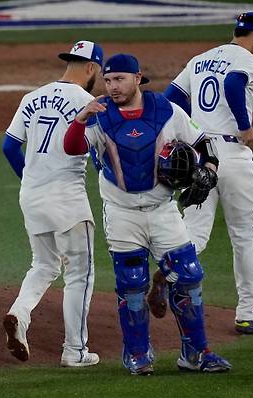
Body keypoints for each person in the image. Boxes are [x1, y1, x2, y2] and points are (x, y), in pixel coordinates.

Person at [63, 54, 232, 375]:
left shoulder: (166, 109)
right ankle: (137, 354)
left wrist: (209, 169)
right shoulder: (99, 116)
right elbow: (72, 147)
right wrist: (81, 117)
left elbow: (202, 142)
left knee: (189, 275)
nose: (112, 87)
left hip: (163, 210)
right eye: (108, 80)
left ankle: (196, 353)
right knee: (132, 284)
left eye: (120, 79)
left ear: (137, 78)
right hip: (122, 214)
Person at [156, 11, 253, 334]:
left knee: (193, 233)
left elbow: (170, 101)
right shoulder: (248, 60)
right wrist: (245, 125)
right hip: (233, 156)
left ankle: (168, 273)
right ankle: (248, 314)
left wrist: (180, 135)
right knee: (244, 235)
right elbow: (235, 84)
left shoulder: (200, 60)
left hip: (200, 157)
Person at [1, 41, 102, 367]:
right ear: (92, 68)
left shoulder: (31, 97)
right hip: (67, 199)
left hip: (31, 195)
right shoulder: (88, 102)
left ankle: (19, 314)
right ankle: (74, 351)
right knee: (80, 273)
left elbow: (8, 146)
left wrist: (30, 179)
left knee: (44, 265)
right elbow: (101, 154)